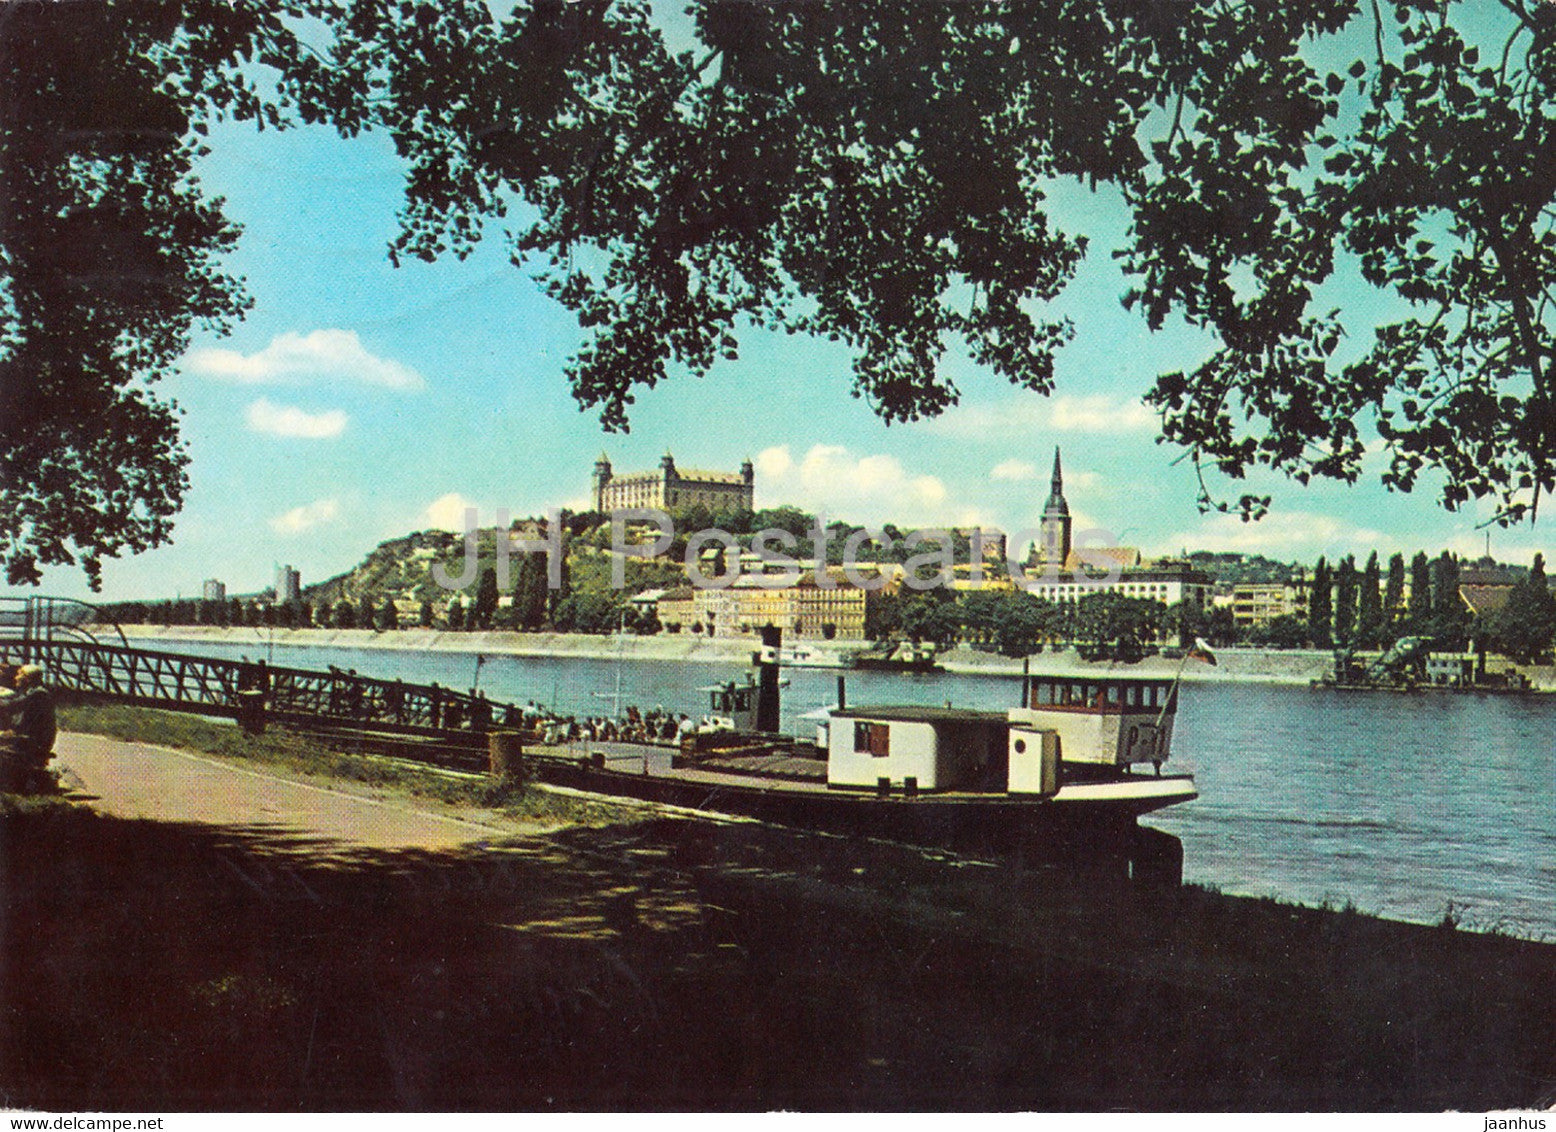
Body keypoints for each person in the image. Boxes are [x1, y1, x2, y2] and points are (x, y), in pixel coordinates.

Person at [0, 665, 57, 792]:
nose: (15, 677)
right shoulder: (31, 692)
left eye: (19, 674)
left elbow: (13, 705)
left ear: (27, 678)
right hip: (29, 738)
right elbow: (11, 699)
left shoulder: (38, 694)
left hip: (35, 741)